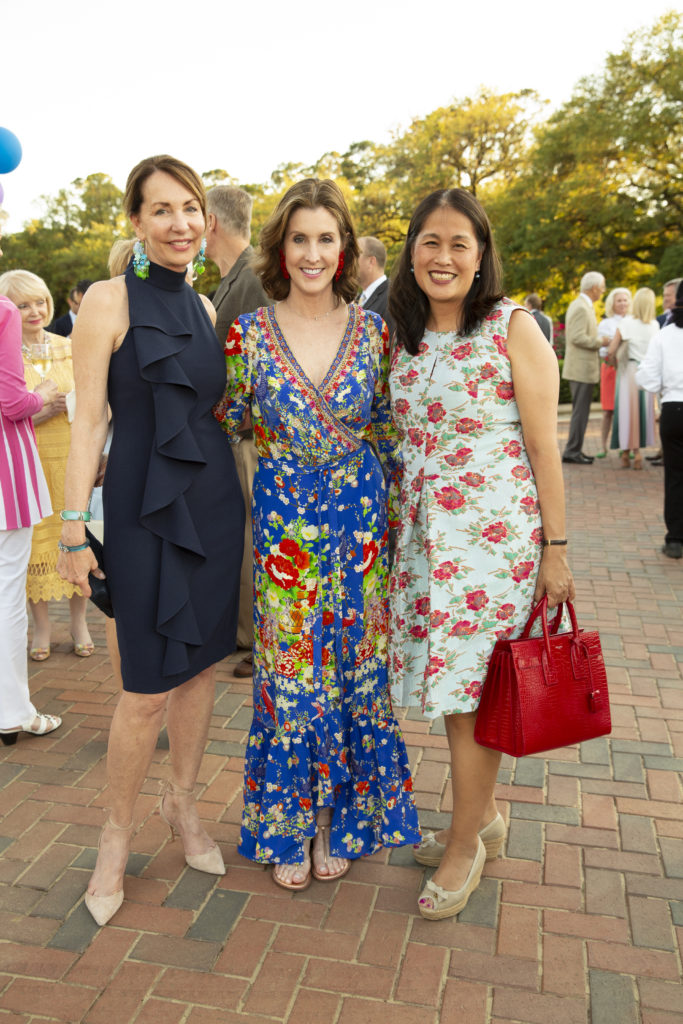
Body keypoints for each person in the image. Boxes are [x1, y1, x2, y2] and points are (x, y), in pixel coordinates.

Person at [213, 177, 420, 892]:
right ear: (281, 246)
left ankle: (339, 820)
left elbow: (388, 431)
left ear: (345, 247)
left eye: (324, 238)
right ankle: (290, 824)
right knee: (293, 673)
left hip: (359, 523)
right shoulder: (247, 332)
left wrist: (395, 532)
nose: (311, 252)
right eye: (298, 238)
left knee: (352, 671)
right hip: (286, 531)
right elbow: (234, 418)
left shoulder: (375, 332)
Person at [56, 155, 244, 927]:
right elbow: (91, 421)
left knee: (200, 671)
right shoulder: (106, 300)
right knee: (143, 693)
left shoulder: (204, 308)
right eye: (161, 210)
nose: (180, 224)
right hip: (136, 512)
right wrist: (74, 528)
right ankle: (113, 837)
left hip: (212, 508)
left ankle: (183, 806)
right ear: (135, 221)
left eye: (190, 208)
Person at [388, 188, 574, 920]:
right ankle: (483, 818)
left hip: (492, 549)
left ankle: (466, 845)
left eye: (458, 243)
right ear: (411, 251)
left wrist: (554, 551)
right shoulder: (398, 332)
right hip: (424, 547)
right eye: (429, 242)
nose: (442, 257)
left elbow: (541, 447)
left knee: (470, 701)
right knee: (450, 693)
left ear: (480, 254)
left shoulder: (512, 326)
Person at [0, 270, 94, 660]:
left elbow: (94, 403)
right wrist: (41, 409)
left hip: (71, 462)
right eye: (23, 305)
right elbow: (9, 416)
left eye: (39, 301)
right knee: (36, 546)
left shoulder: (70, 346)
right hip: (29, 464)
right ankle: (42, 628)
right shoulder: (7, 355)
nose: (35, 311)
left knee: (74, 538)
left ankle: (79, 623)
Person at [0, 221, 62, 746]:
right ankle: (14, 712)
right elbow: (11, 402)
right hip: (5, 477)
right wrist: (42, 393)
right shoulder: (0, 313)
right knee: (7, 596)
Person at [206, 186, 268, 680]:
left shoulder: (255, 277)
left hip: (254, 437)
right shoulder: (231, 278)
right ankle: (243, 631)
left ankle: (256, 637)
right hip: (232, 433)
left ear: (211, 222)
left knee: (256, 535)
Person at [636, 280, 683, 558]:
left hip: (674, 408)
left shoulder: (665, 335)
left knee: (675, 476)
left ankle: (675, 538)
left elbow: (647, 378)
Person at [607, 287, 658, 469]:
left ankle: (628, 452)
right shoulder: (654, 325)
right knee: (641, 413)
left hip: (628, 371)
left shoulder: (627, 322)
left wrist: (614, 361)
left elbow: (611, 350)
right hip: (646, 373)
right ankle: (637, 452)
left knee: (626, 412)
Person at [561, 271, 606, 464]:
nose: (603, 291)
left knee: (582, 412)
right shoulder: (580, 307)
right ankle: (572, 451)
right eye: (602, 287)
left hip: (583, 369)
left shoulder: (583, 305)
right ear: (594, 287)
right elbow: (576, 337)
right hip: (580, 369)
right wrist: (600, 341)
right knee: (580, 412)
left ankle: (575, 449)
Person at [596, 288, 631, 458]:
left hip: (628, 370)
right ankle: (603, 446)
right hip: (610, 368)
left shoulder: (633, 321)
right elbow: (602, 351)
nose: (623, 303)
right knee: (608, 411)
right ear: (612, 303)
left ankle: (627, 448)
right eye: (619, 300)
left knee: (627, 410)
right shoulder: (605, 324)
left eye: (625, 300)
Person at [357, 236, 393, 335]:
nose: (350, 262)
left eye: (355, 256)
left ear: (371, 262)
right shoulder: (357, 300)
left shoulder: (393, 298)